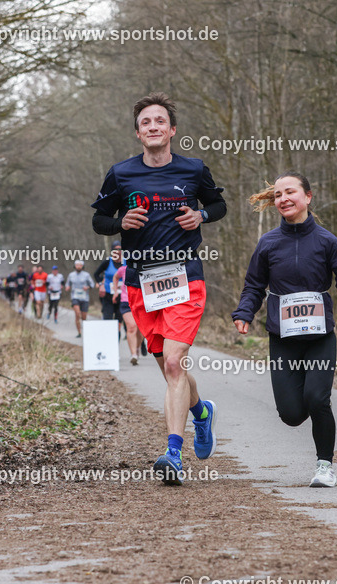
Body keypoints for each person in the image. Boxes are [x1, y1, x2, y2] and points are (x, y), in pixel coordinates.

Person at [91, 92, 227, 483]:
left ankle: (172, 453)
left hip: (185, 277)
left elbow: (218, 207)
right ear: (138, 133)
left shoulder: (194, 170)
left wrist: (200, 214)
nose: (153, 127)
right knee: (171, 368)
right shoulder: (121, 174)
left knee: (173, 362)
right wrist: (121, 224)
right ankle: (201, 413)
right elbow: (100, 220)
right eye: (146, 123)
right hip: (141, 280)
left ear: (172, 130)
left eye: (159, 121)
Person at [232, 172, 337, 488]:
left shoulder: (327, 241)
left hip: (320, 337)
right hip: (283, 338)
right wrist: (244, 312)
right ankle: (305, 397)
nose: (283, 199)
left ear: (308, 197)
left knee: (318, 399)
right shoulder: (268, 243)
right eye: (278, 195)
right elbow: (254, 284)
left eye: (290, 192)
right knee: (291, 414)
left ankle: (324, 467)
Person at [112, 262, 144, 364]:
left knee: (141, 331)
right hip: (126, 301)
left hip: (142, 302)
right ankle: (133, 354)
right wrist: (115, 291)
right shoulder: (123, 269)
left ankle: (137, 347)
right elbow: (116, 277)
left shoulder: (144, 266)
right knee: (131, 327)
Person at [94, 242, 126, 334]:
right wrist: (101, 285)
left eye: (120, 249)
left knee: (118, 323)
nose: (118, 251)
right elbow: (96, 274)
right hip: (108, 295)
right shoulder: (107, 262)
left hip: (122, 296)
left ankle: (116, 343)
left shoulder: (126, 262)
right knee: (108, 320)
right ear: (112, 251)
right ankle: (107, 341)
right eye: (115, 249)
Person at [66, 260, 95, 337]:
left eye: (80, 265)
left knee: (84, 316)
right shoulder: (71, 275)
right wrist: (67, 287)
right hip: (75, 296)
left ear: (82, 266)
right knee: (77, 313)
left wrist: (87, 287)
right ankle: (79, 332)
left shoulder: (86, 275)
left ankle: (85, 330)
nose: (78, 266)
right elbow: (67, 283)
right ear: (75, 266)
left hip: (84, 297)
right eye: (77, 265)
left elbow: (92, 284)